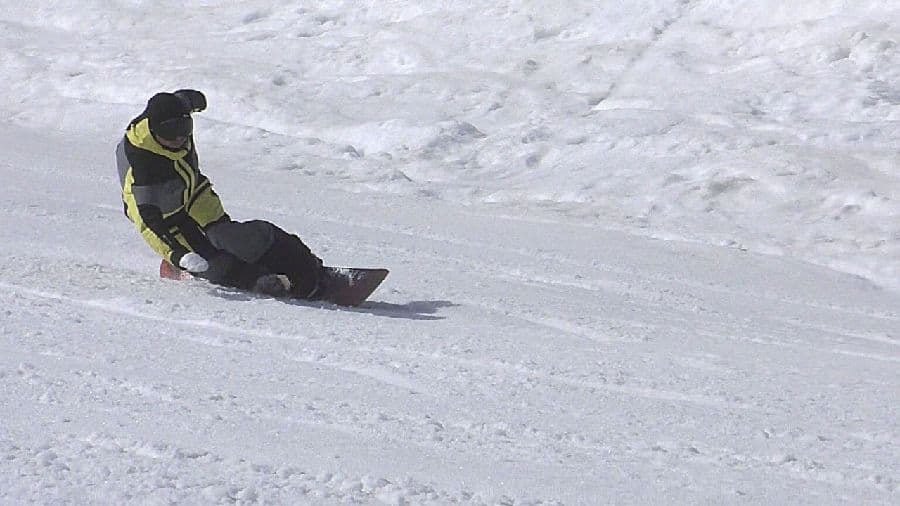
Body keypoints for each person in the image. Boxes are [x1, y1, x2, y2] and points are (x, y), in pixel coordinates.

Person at [115, 89, 326, 298]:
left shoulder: (173, 117)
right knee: (215, 265)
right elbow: (149, 223)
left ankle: (306, 264)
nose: (180, 137)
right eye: (171, 133)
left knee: (237, 239)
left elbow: (180, 101)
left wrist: (194, 100)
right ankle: (255, 280)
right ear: (155, 131)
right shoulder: (143, 165)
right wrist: (178, 255)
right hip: (165, 214)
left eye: (185, 128)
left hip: (194, 193)